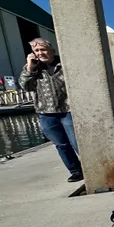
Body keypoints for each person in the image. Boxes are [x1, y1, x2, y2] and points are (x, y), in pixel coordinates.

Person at [18, 38, 83, 182]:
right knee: (61, 145)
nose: (40, 53)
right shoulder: (32, 68)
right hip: (46, 114)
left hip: (68, 110)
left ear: (52, 50)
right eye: (36, 50)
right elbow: (25, 86)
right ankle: (76, 171)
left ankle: (90, 167)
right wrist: (30, 68)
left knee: (77, 142)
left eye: (43, 49)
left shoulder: (64, 63)